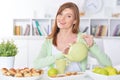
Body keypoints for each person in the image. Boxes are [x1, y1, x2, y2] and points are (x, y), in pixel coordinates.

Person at [33, 2, 112, 72]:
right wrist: (61, 54)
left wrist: (92, 46)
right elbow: (36, 64)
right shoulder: (49, 40)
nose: (62, 18)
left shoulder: (83, 38)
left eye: (68, 16)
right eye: (60, 14)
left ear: (75, 21)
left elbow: (108, 64)